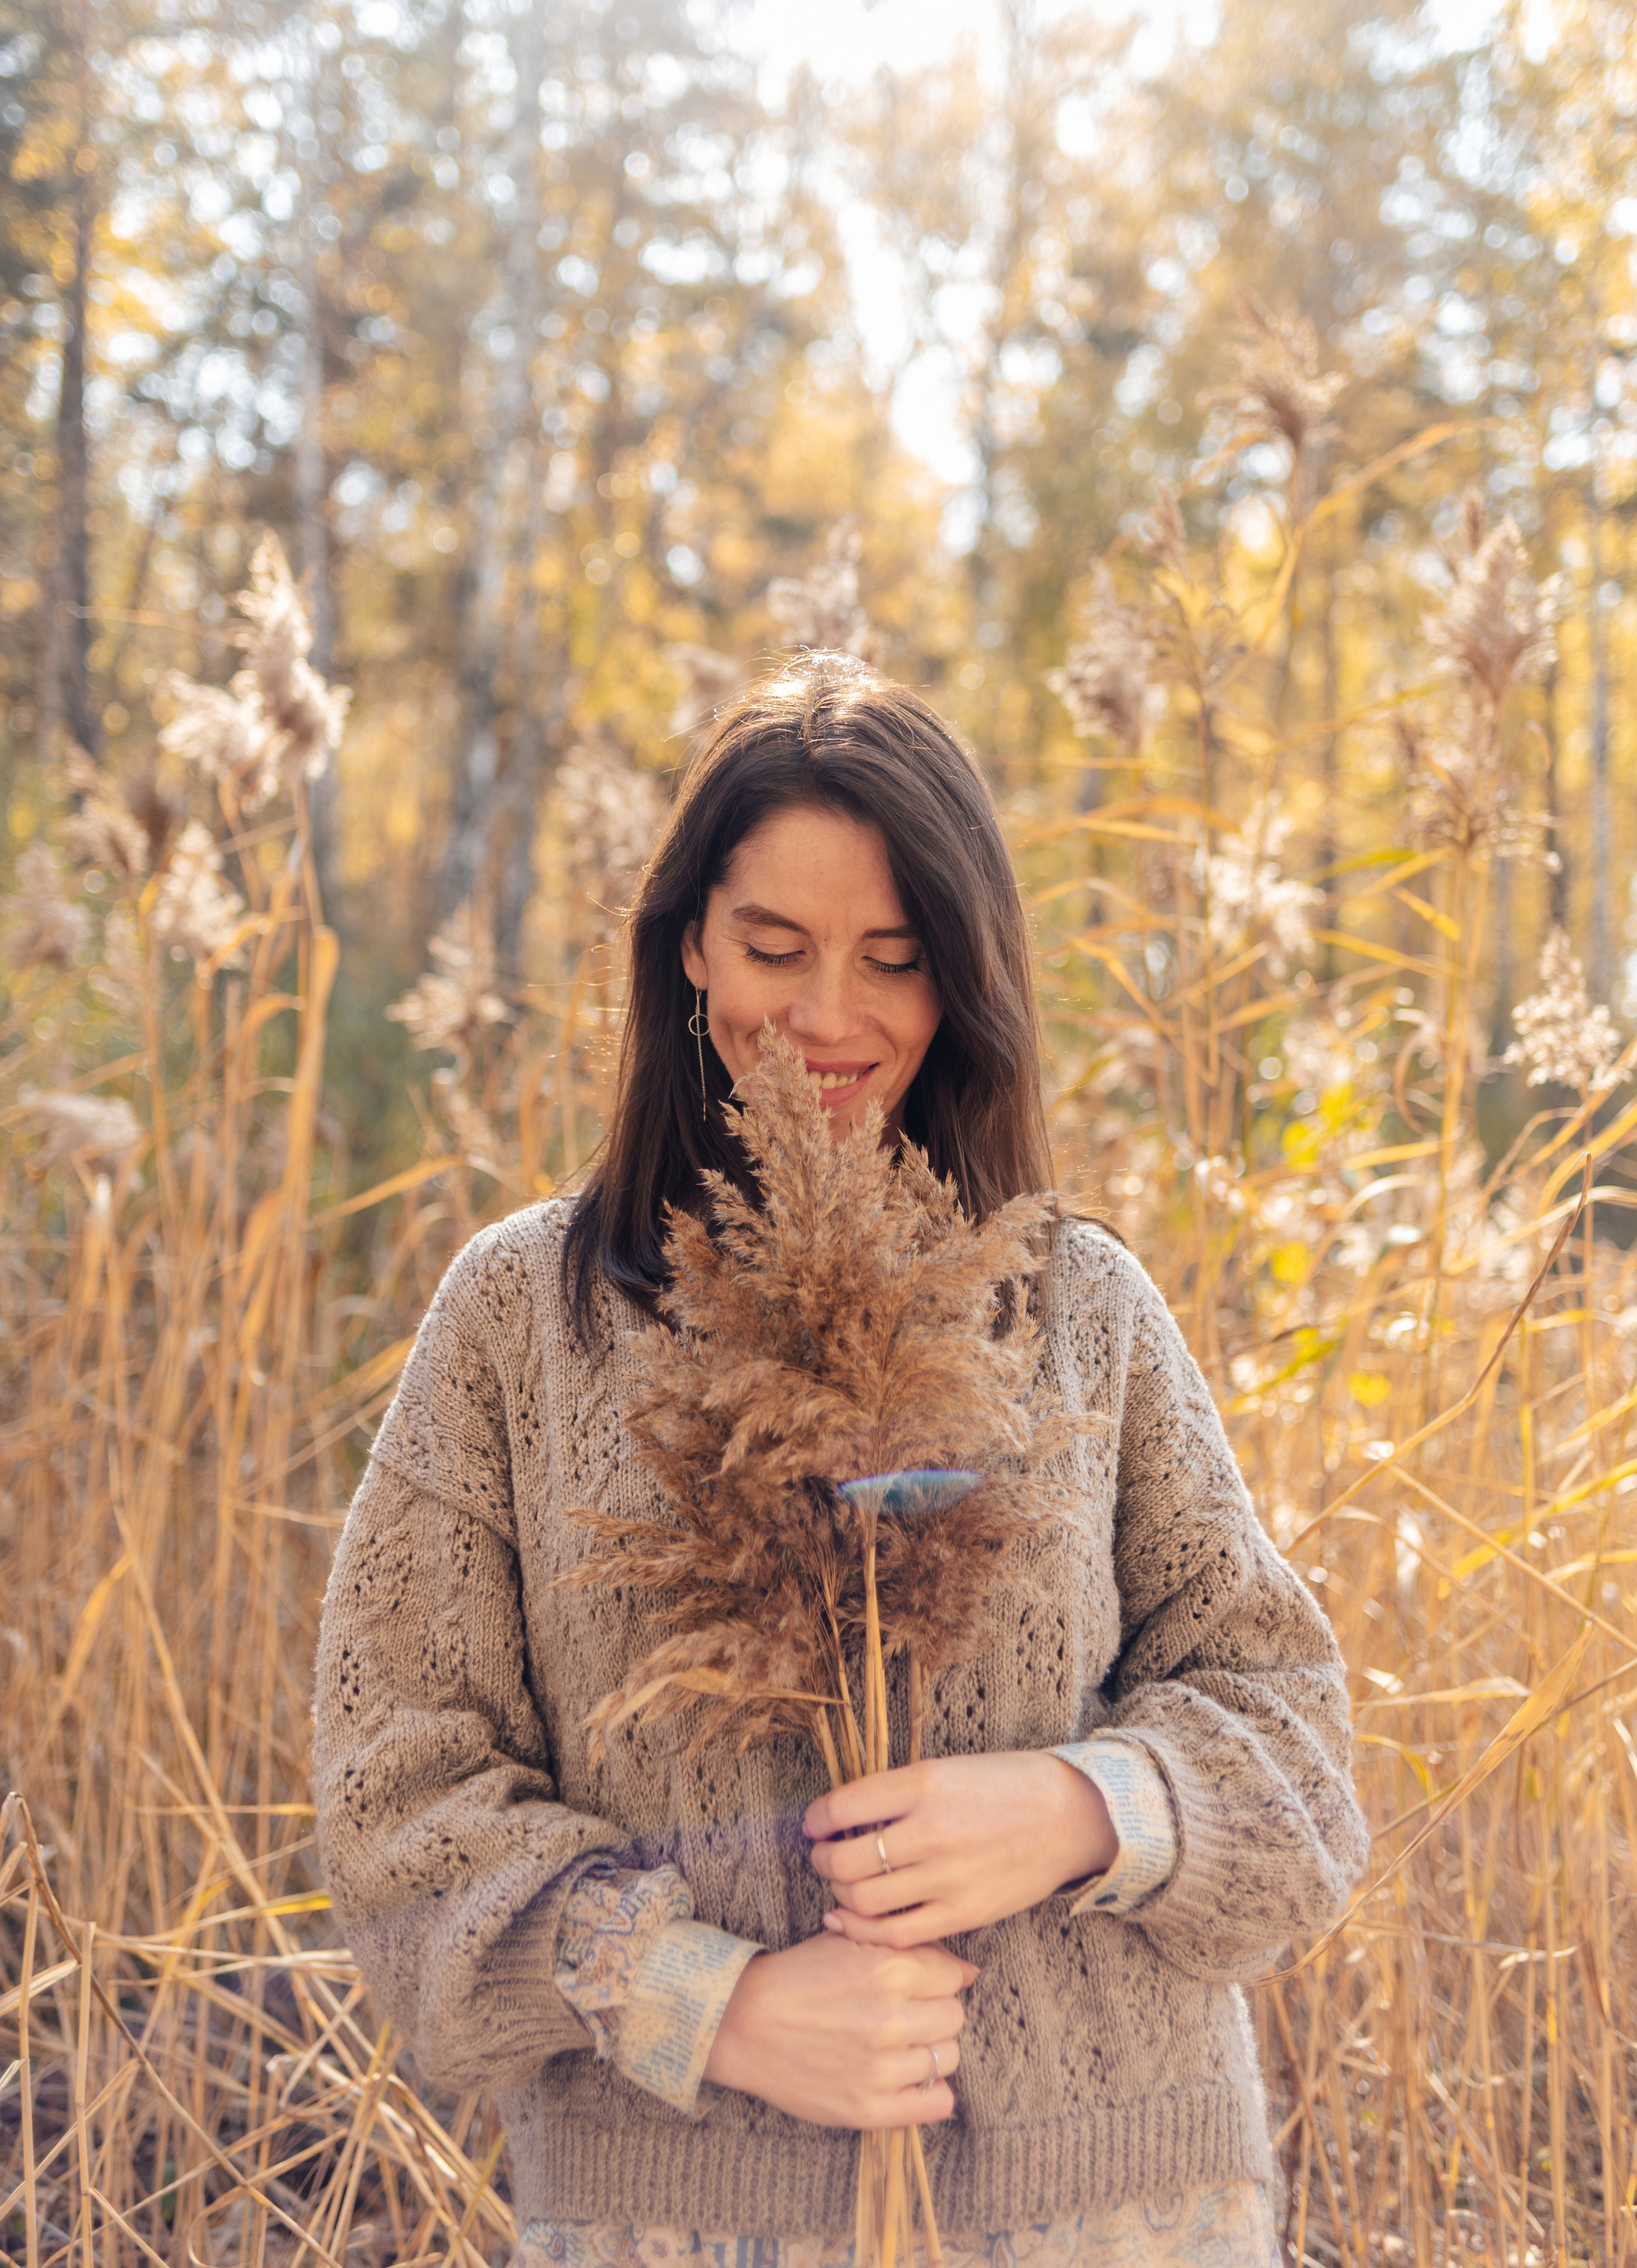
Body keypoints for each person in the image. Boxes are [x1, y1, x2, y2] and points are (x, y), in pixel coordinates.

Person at [313, 650, 1368, 2268]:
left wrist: (1086, 1806)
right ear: (688, 946)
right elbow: (400, 1802)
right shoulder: (523, 1321)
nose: (827, 1015)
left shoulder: (1074, 1302)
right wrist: (703, 2004)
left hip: (1118, 2211)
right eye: (774, 945)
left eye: (892, 956)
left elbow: (1293, 1744)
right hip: (679, 2221)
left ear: (960, 981)